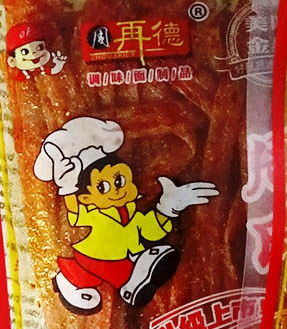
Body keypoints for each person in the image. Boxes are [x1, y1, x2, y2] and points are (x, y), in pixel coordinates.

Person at [33, 117, 218, 314]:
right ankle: (78, 282)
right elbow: (76, 213)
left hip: (126, 254)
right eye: (103, 187)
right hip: (95, 255)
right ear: (86, 197)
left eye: (119, 181)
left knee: (124, 266)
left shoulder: (131, 212)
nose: (116, 190)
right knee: (104, 270)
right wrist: (68, 187)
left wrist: (168, 207)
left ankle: (133, 277)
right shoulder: (91, 212)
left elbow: (148, 230)